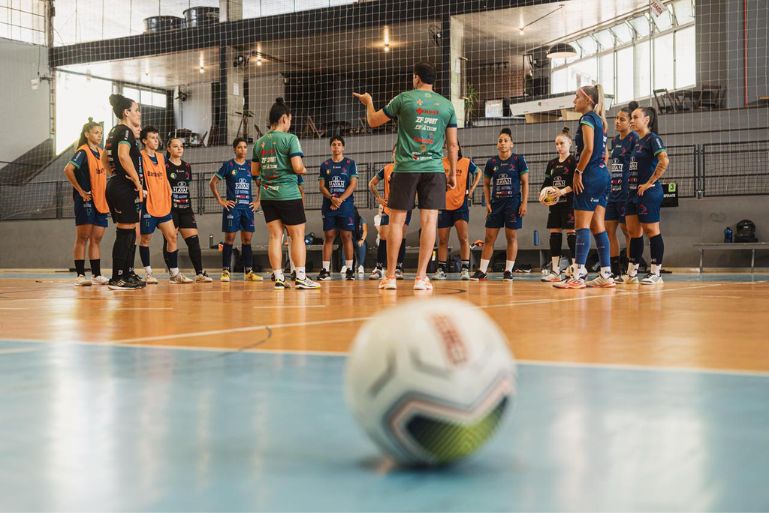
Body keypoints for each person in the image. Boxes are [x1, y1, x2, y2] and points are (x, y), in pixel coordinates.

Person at [354, 62, 459, 291]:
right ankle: (421, 278)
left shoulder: (404, 99)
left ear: (416, 78)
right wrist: (452, 172)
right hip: (434, 170)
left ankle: (390, 276)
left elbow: (373, 121)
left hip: (405, 168)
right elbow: (452, 144)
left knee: (396, 222)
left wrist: (369, 102)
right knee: (429, 221)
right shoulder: (447, 106)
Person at [253, 98, 319, 289]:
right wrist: (304, 170)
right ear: (284, 118)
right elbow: (297, 167)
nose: (290, 122)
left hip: (267, 196)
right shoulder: (291, 139)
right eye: (289, 119)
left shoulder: (260, 143)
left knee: (275, 236)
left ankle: (279, 278)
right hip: (288, 195)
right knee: (297, 235)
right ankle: (300, 276)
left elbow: (255, 172)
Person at [554, 84, 614, 289]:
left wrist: (578, 172)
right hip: (603, 176)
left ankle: (577, 275)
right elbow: (605, 154)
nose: (574, 101)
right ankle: (606, 274)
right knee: (598, 226)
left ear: (588, 100)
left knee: (581, 228)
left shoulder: (587, 118)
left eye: (577, 97)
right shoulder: (601, 121)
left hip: (589, 176)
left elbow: (588, 149)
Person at [471, 128, 529, 281]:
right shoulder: (492, 162)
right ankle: (482, 270)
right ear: (497, 145)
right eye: (500, 141)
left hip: (513, 203)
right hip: (496, 204)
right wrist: (488, 203)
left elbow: (525, 183)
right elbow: (485, 184)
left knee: (511, 237)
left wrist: (524, 203)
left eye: (506, 141)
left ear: (512, 144)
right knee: (489, 237)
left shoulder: (518, 160)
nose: (502, 143)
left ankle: (508, 271)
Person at [137, 126, 192, 284]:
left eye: (157, 137)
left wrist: (168, 191)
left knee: (172, 237)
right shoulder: (139, 157)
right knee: (146, 239)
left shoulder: (161, 158)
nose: (156, 140)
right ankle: (148, 273)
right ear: (144, 141)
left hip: (163, 204)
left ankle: (174, 274)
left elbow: (165, 178)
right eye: (152, 137)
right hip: (148, 204)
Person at [103, 93, 145, 290]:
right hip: (122, 186)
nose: (139, 114)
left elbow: (105, 157)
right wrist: (136, 180)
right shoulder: (126, 131)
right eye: (136, 110)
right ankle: (117, 277)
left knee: (130, 232)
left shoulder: (114, 131)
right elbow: (122, 154)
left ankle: (127, 274)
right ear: (126, 112)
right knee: (125, 233)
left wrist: (114, 172)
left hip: (118, 184)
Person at [625, 105, 669, 285]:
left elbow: (664, 160)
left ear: (646, 120)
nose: (632, 121)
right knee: (633, 232)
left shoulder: (653, 138)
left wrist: (649, 182)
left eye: (635, 117)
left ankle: (656, 272)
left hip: (649, 192)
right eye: (631, 118)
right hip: (633, 192)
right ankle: (631, 272)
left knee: (651, 231)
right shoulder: (637, 141)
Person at [63, 118, 109, 286]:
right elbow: (68, 169)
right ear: (87, 134)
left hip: (101, 201)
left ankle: (96, 275)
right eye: (96, 133)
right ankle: (80, 275)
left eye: (101, 133)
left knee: (96, 239)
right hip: (86, 200)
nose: (99, 135)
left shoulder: (102, 153)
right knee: (83, 237)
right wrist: (80, 191)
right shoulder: (82, 151)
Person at [209, 138, 262, 283]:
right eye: (240, 147)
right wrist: (221, 200)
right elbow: (212, 182)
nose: (243, 150)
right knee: (229, 239)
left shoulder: (251, 166)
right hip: (233, 209)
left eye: (245, 147)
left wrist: (258, 201)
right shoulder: (228, 165)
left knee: (247, 240)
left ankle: (249, 271)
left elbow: (261, 183)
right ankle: (226, 271)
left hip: (247, 208)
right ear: (234, 149)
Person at [164, 137, 212, 282]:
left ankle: (199, 274)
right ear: (168, 149)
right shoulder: (165, 166)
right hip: (170, 209)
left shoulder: (187, 166)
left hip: (186, 209)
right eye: (175, 146)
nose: (179, 149)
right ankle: (173, 274)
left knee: (193, 240)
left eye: (181, 146)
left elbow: (185, 185)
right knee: (171, 239)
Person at [434, 145, 480, 281]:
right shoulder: (441, 162)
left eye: (454, 146)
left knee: (463, 238)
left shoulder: (466, 162)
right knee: (442, 240)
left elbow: (478, 172)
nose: (451, 149)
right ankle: (441, 269)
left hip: (461, 205)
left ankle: (465, 269)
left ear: (458, 148)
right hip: (443, 205)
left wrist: (472, 189)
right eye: (448, 147)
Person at [606, 102, 640, 280]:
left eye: (621, 119)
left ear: (629, 122)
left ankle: (631, 270)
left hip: (627, 191)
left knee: (628, 231)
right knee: (609, 230)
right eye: (616, 119)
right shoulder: (615, 140)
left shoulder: (635, 138)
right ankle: (614, 271)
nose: (617, 122)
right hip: (614, 190)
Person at [367, 148, 412, 280]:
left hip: (404, 208)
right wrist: (379, 198)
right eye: (395, 152)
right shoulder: (387, 168)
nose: (397, 154)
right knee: (384, 236)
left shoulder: (410, 169)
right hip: (388, 208)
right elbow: (372, 183)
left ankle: (399, 268)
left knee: (401, 236)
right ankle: (379, 268)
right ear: (392, 154)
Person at [317, 136, 358, 281]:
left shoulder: (350, 163)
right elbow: (322, 186)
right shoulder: (325, 165)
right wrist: (332, 198)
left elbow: (353, 185)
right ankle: (325, 270)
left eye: (339, 144)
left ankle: (349, 269)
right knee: (329, 236)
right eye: (334, 144)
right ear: (331, 147)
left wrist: (340, 199)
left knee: (346, 236)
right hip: (329, 205)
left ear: (343, 147)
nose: (336, 147)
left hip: (345, 205)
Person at [540, 128, 577, 283]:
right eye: (556, 144)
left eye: (562, 143)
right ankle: (555, 271)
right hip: (555, 205)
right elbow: (547, 183)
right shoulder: (552, 163)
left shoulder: (574, 161)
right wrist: (542, 194)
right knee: (554, 234)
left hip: (569, 203)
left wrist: (562, 192)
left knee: (571, 233)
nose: (559, 146)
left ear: (569, 143)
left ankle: (576, 269)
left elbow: (575, 183)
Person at [352, 206, 368, 275]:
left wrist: (362, 239)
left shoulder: (361, 219)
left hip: (359, 239)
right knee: (345, 245)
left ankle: (361, 266)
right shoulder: (348, 219)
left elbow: (365, 231)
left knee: (362, 245)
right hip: (350, 239)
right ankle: (345, 266)